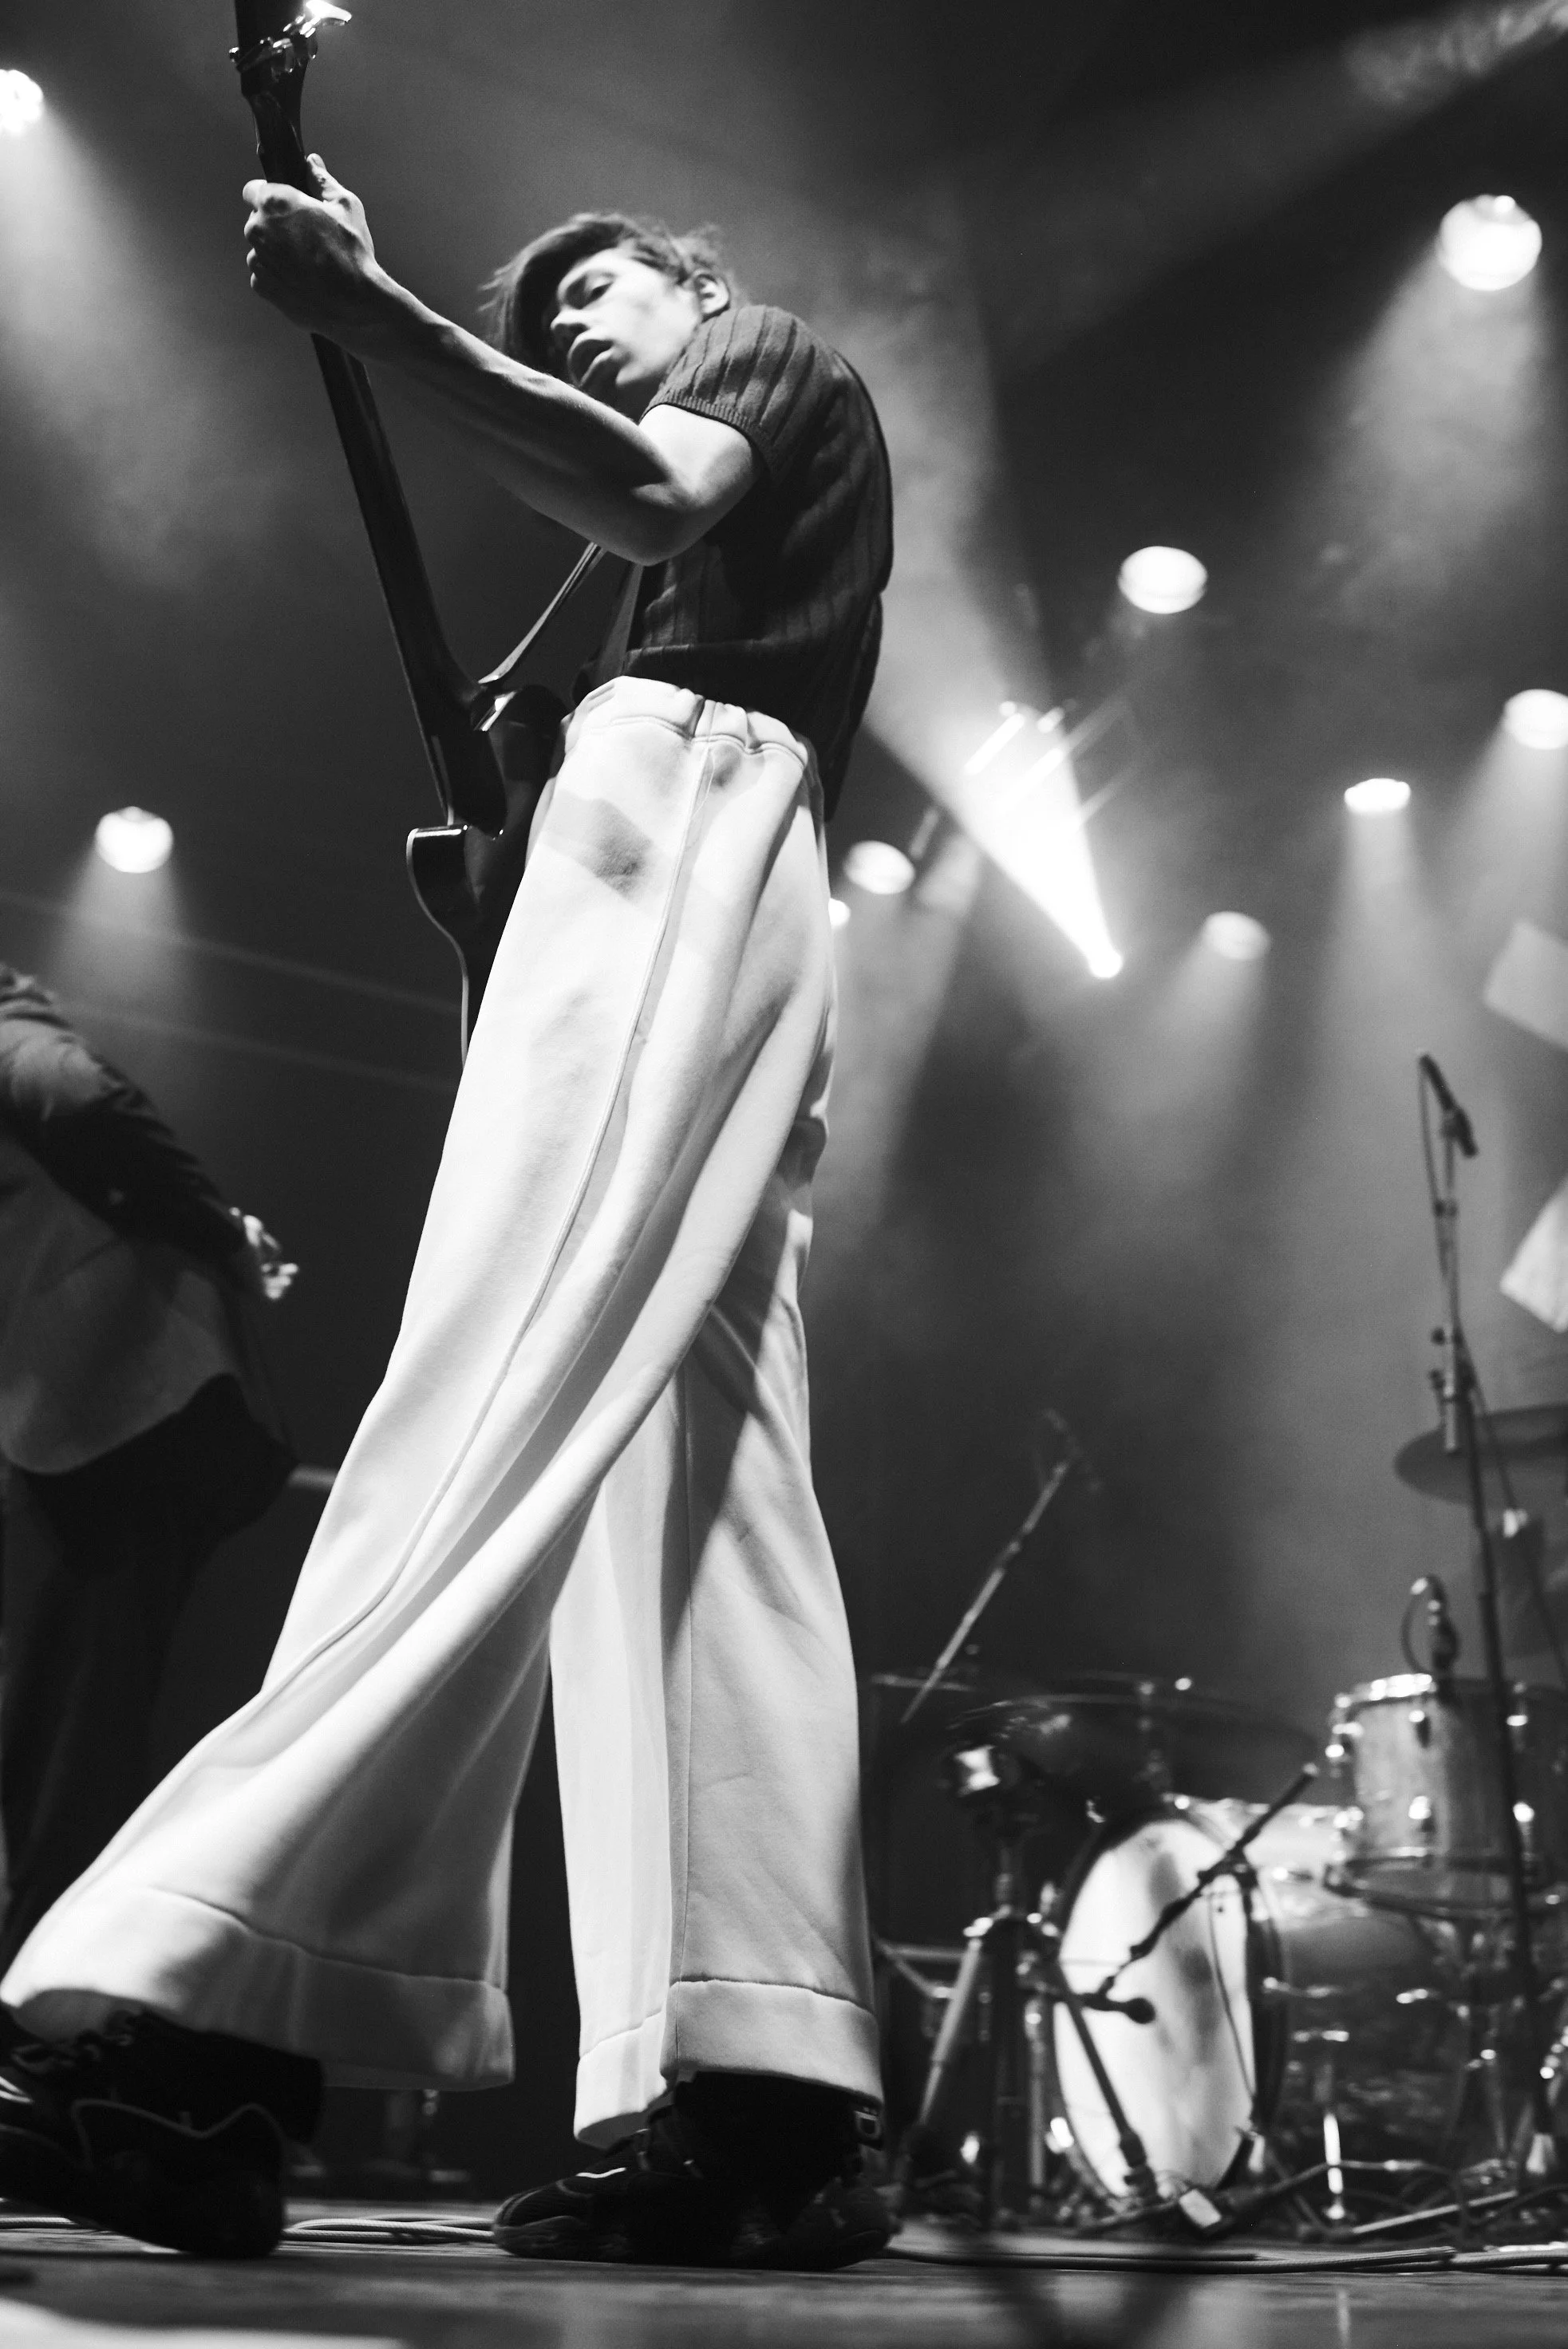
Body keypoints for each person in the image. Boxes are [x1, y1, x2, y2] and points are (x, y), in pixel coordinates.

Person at [0, 163, 895, 2272]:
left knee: (483, 1398)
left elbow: (653, 494)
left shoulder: (764, 359)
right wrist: (501, 871)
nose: (574, 313)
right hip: (713, 846)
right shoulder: (613, 615)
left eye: (602, 284)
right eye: (543, 304)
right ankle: (764, 2094)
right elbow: (618, 559)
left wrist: (371, 307)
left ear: (689, 281)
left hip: (704, 803)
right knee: (698, 1486)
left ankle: (210, 2036)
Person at [0, 968, 294, 1970]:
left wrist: (219, 1232)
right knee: (66, 1735)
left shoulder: (9, 1036)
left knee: (69, 1744)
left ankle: (41, 2012)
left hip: (112, 1415)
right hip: (85, 1430)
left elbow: (77, 1096)